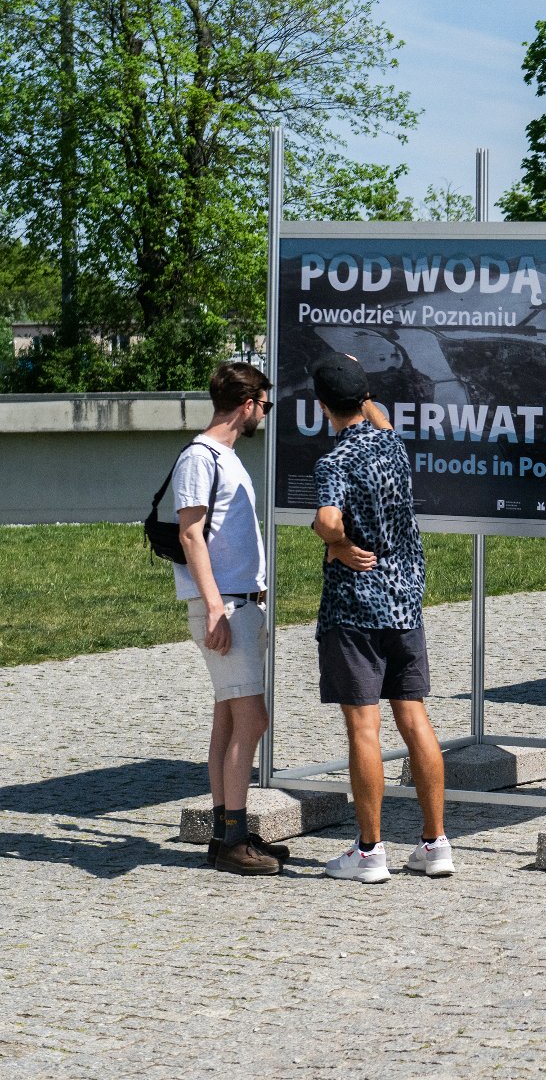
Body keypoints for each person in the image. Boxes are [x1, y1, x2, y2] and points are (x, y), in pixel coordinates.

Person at [308, 353, 453, 883]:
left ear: (321, 406)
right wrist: (360, 380)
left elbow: (326, 519)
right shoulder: (391, 442)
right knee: (414, 717)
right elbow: (381, 416)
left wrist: (339, 544)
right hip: (404, 600)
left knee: (363, 728)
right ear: (363, 400)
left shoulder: (335, 461)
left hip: (356, 608)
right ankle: (435, 842)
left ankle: (370, 852)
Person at [172, 360, 285, 876]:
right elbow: (190, 535)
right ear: (248, 404)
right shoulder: (199, 457)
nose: (265, 411)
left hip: (240, 601)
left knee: (229, 716)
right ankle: (235, 838)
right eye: (264, 403)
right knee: (253, 718)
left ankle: (226, 832)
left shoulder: (226, 456)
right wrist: (215, 604)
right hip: (226, 605)